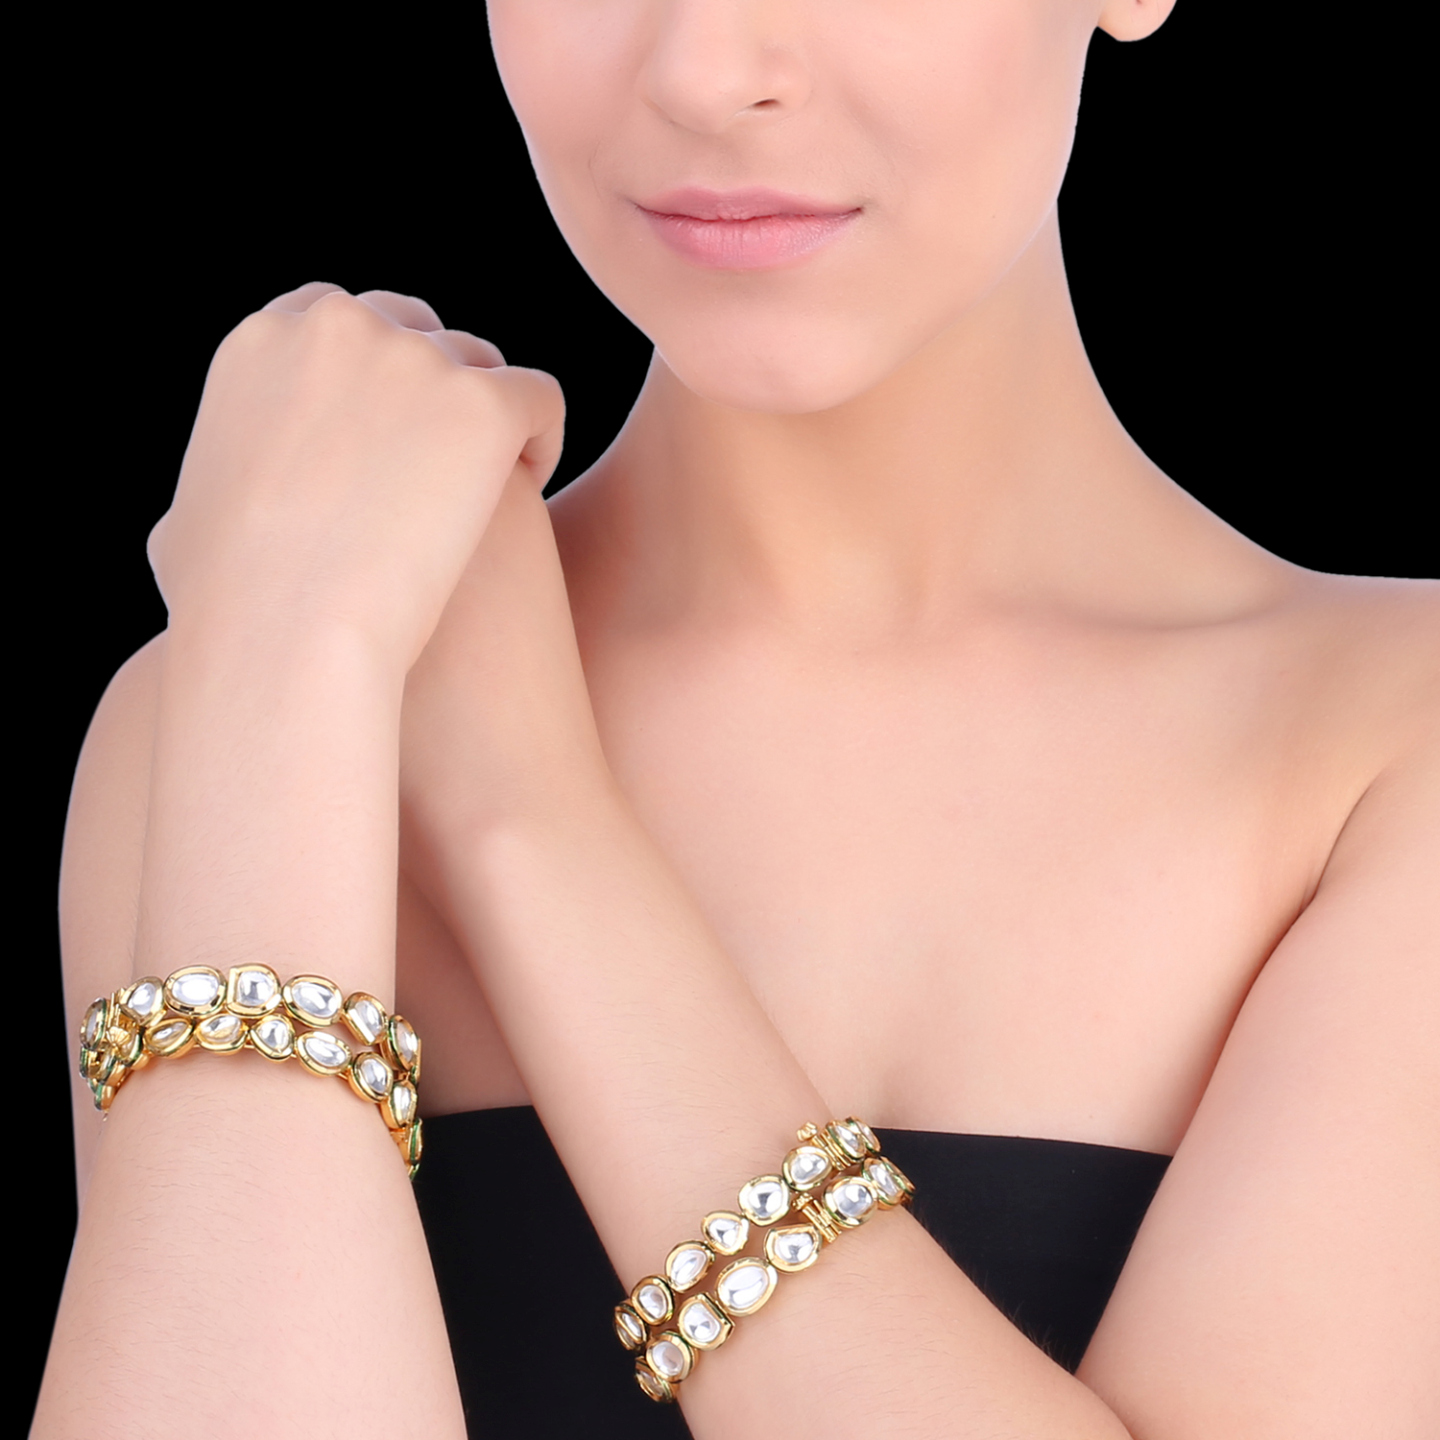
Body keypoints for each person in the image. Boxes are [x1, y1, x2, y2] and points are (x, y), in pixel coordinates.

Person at [33, 1, 1438, 1436]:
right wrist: (286, 662)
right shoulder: (265, 686)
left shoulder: (1395, 748)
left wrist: (526, 818)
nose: (707, 72)